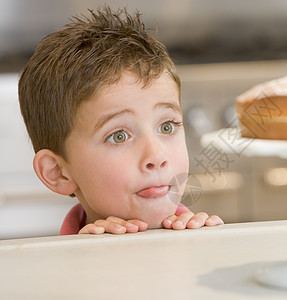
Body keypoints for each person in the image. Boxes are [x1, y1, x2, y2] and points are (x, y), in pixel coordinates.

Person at [18, 6, 223, 235]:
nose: (156, 157)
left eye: (166, 127)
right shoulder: (64, 265)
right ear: (58, 172)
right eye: (119, 136)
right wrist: (81, 262)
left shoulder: (198, 234)